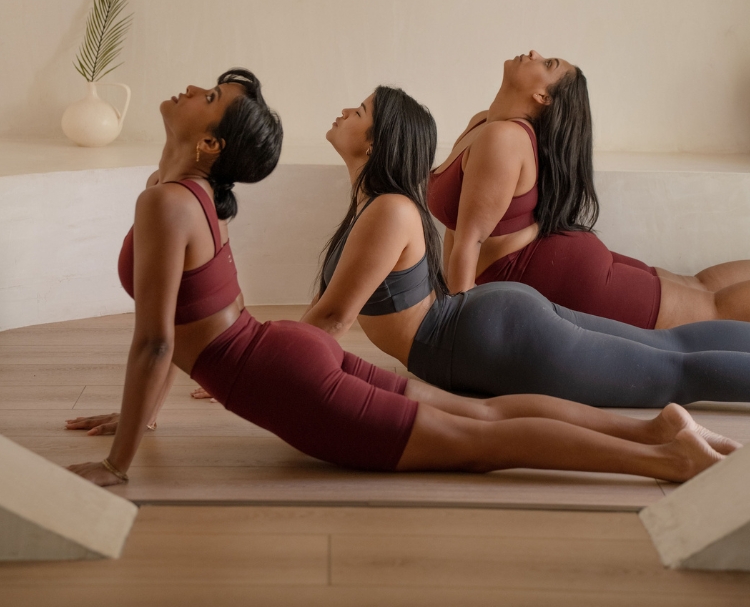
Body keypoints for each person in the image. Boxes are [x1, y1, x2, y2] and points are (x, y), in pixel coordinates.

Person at [66, 71, 735, 487]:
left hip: (295, 365)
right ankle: (653, 433)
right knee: (484, 420)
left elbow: (160, 341)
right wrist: (139, 415)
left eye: (209, 96)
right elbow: (195, 319)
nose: (189, 90)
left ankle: (666, 458)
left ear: (211, 146)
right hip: (288, 357)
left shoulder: (172, 201)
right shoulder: (191, 197)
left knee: (482, 440)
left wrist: (119, 463)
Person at [301, 85, 750, 410]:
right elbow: (328, 311)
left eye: (359, 110)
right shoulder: (373, 208)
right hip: (492, 325)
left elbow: (333, 318)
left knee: (673, 374)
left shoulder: (388, 210)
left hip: (492, 334)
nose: (345, 111)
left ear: (377, 142)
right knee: (670, 349)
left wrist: (266, 363)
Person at [428, 50, 750, 328]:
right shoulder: (483, 123)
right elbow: (460, 233)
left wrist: (456, 330)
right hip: (559, 262)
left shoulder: (503, 139)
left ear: (543, 96)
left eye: (547, 62)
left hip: (565, 275)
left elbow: (470, 241)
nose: (533, 52)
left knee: (712, 309)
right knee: (697, 285)